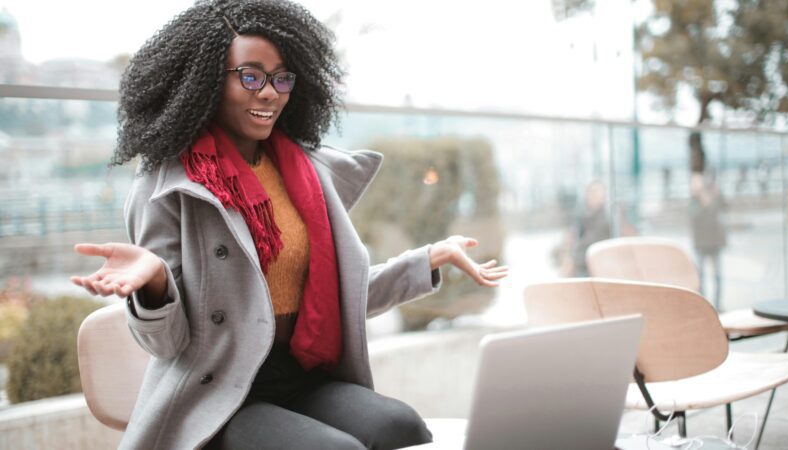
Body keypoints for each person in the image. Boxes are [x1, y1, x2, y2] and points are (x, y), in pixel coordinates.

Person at [69, 1, 508, 449]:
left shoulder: (304, 173)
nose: (269, 93)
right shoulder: (167, 186)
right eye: (250, 75)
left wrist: (428, 259)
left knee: (402, 427)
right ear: (203, 81)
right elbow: (168, 344)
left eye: (280, 78)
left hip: (301, 372)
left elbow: (336, 299)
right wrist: (156, 283)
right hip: (222, 393)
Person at [688, 171, 727, 310]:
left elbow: (724, 207)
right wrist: (704, 202)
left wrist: (717, 194)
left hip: (714, 242)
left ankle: (718, 305)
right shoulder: (694, 201)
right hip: (701, 244)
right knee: (701, 278)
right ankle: (704, 306)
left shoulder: (713, 196)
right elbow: (695, 218)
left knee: (717, 276)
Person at [570, 180, 612, 277]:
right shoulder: (581, 215)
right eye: (592, 192)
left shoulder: (609, 217)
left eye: (597, 193)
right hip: (582, 263)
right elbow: (577, 238)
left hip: (600, 263)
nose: (594, 196)